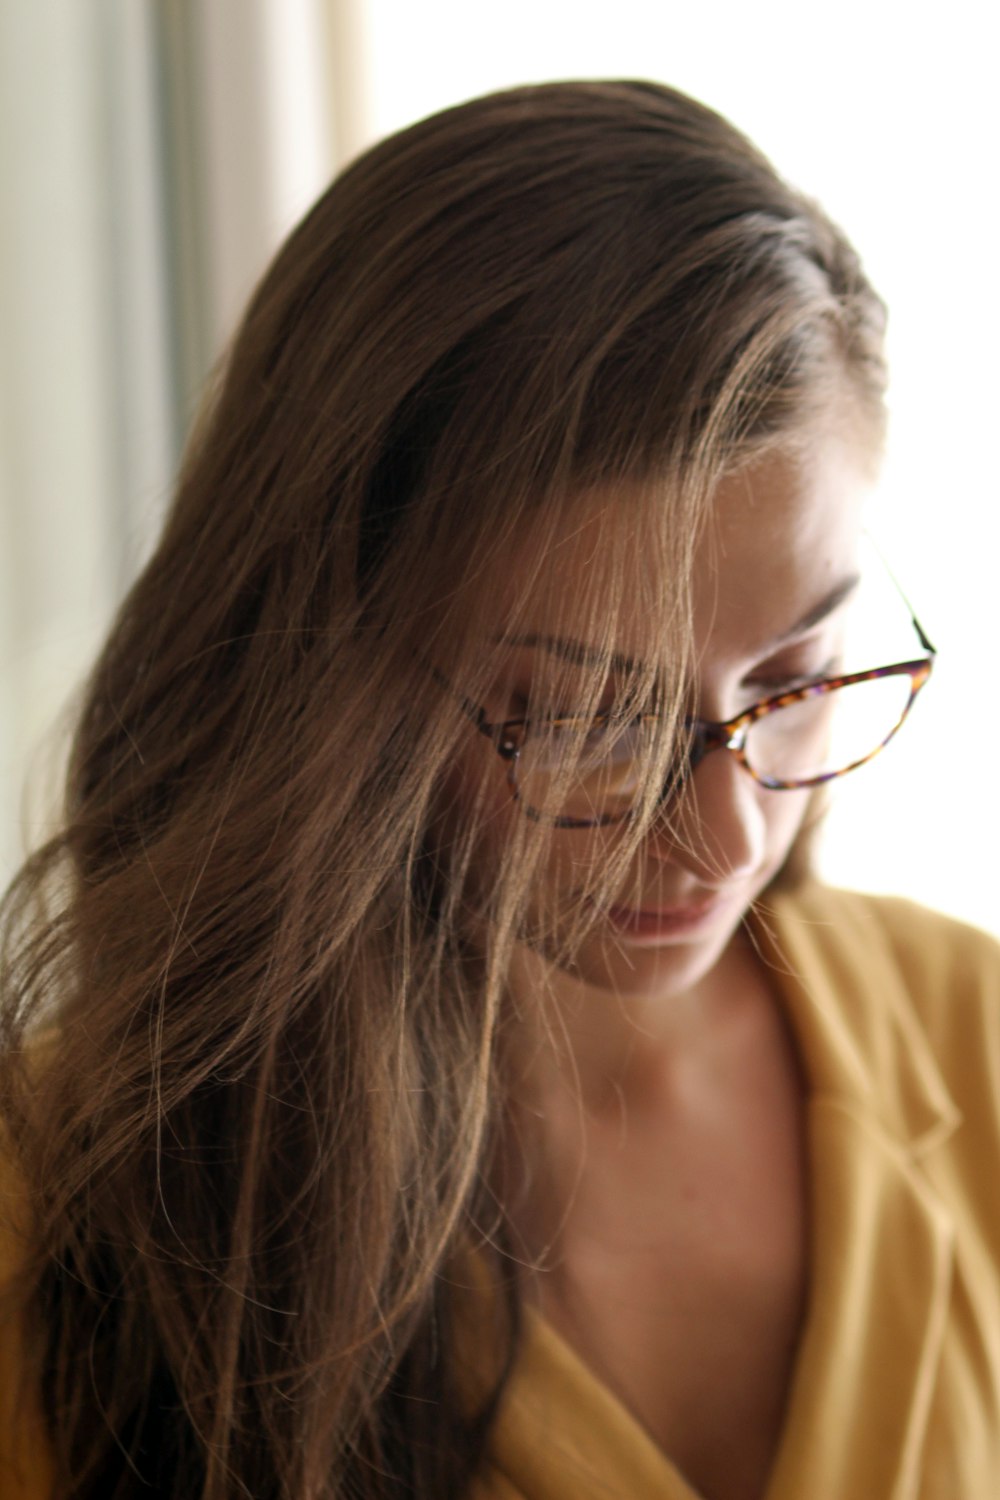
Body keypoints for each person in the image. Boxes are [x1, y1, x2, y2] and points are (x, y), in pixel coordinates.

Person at [0, 78, 997, 1500]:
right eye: (587, 716)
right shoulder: (65, 1224)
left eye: (795, 669)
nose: (728, 831)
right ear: (330, 673)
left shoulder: (971, 1034)